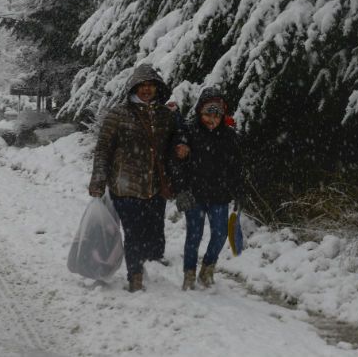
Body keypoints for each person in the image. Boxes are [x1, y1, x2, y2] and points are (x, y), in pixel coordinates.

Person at [88, 64, 189, 292]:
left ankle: (149, 262)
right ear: (134, 87)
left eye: (150, 86)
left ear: (156, 88)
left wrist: (182, 143)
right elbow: (103, 148)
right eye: (141, 86)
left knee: (152, 229)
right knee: (133, 232)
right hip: (126, 186)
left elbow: (178, 136)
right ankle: (135, 275)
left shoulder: (166, 115)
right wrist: (98, 180)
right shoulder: (118, 114)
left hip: (155, 186)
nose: (146, 90)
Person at [174, 87, 244, 290]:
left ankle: (207, 269)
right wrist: (181, 190)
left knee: (221, 234)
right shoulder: (188, 132)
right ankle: (189, 274)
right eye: (207, 114)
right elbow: (178, 166)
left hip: (219, 195)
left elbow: (236, 167)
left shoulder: (229, 136)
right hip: (194, 195)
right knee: (193, 236)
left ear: (223, 116)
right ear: (199, 112)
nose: (211, 119)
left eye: (217, 115)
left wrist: (238, 191)